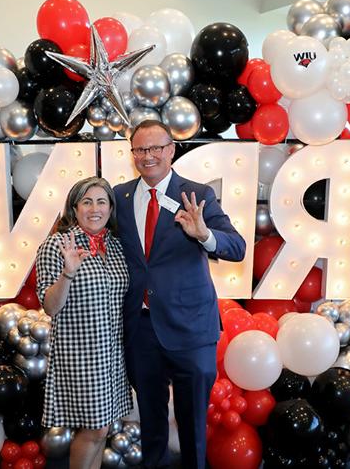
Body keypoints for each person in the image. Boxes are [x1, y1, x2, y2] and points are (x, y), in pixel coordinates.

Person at [113, 120, 246, 468]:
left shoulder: (198, 194)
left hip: (190, 328)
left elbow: (237, 247)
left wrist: (205, 235)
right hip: (141, 329)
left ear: (172, 150)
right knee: (152, 423)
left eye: (156, 148)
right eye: (141, 149)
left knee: (193, 426)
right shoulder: (119, 197)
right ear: (133, 155)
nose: (149, 156)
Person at [35, 176, 132, 469]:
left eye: (101, 201)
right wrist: (68, 273)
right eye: (86, 202)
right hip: (81, 354)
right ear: (74, 208)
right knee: (95, 429)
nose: (94, 209)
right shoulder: (56, 245)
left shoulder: (115, 246)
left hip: (113, 354)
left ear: (110, 208)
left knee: (103, 429)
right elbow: (51, 307)